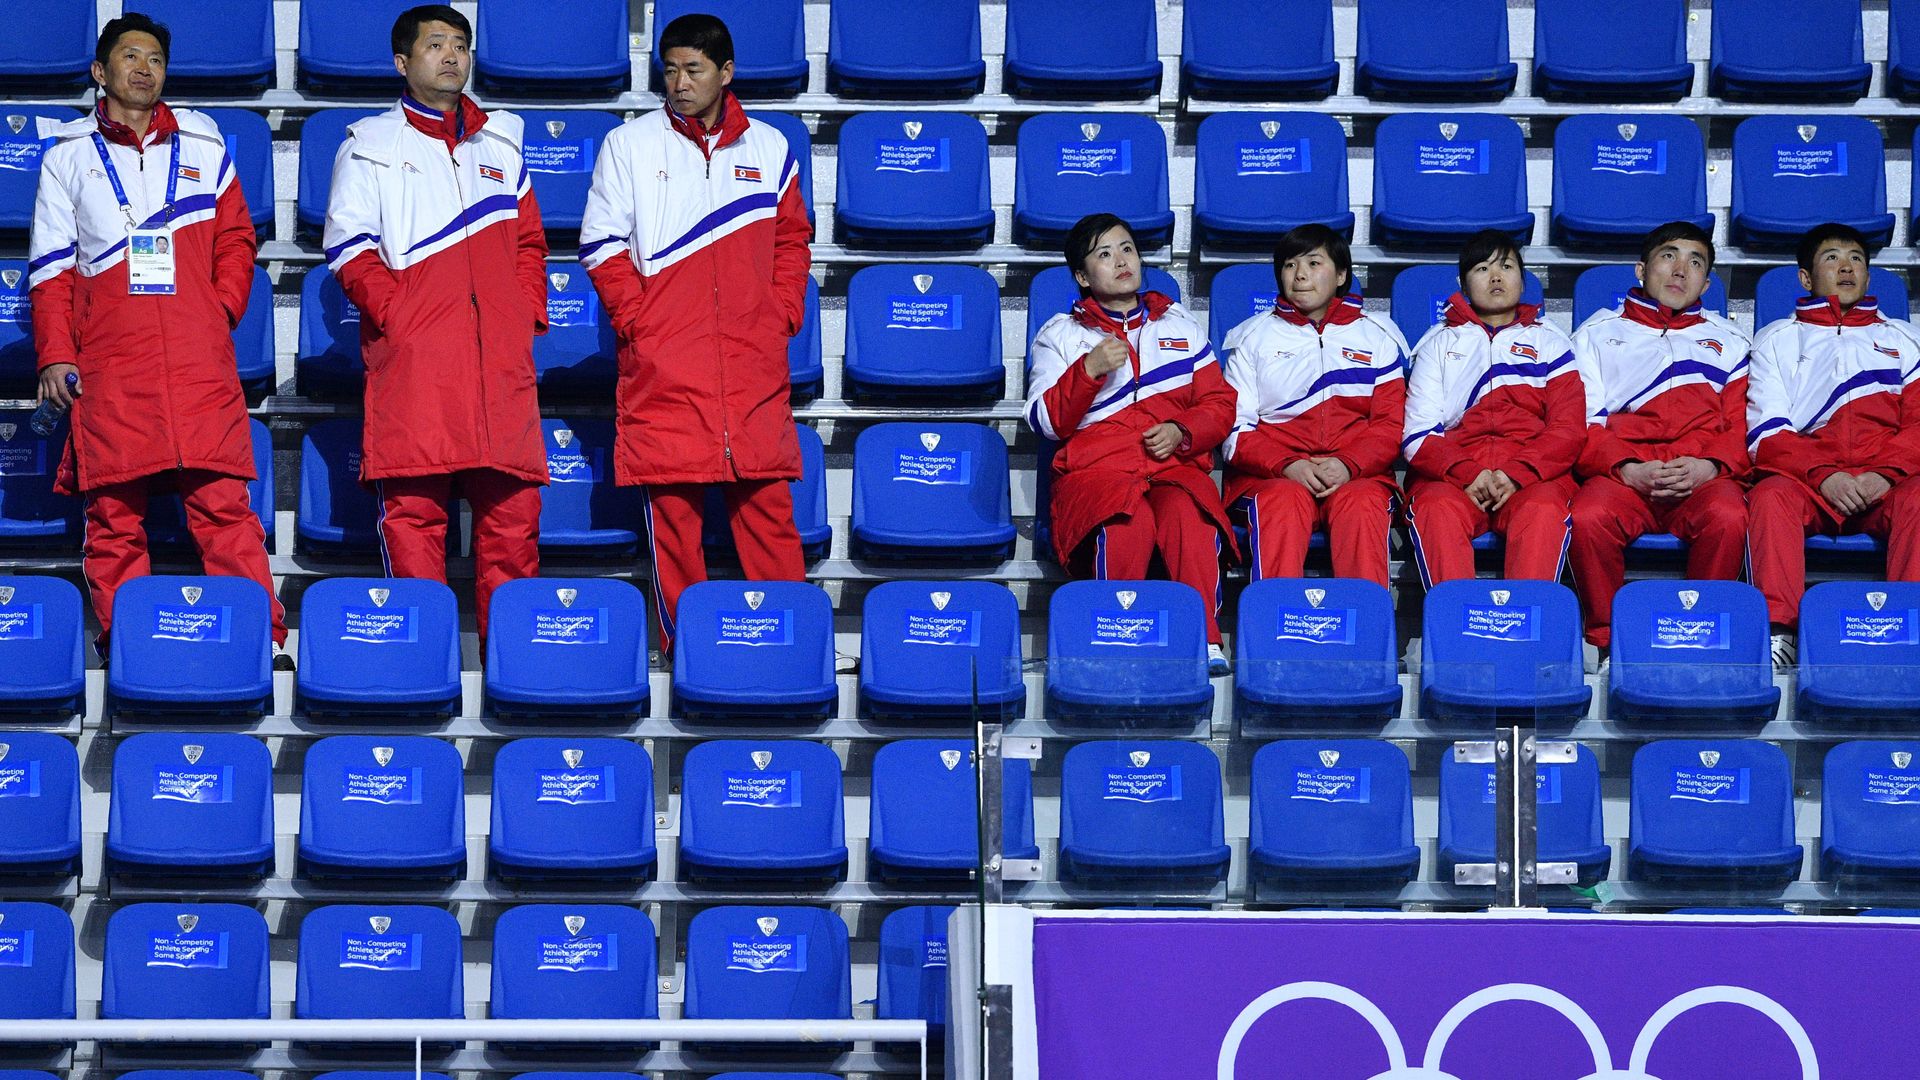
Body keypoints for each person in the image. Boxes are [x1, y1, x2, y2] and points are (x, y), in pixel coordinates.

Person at [28, 12, 287, 661]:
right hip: (112, 364)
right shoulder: (67, 158)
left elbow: (237, 237)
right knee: (114, 518)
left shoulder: (203, 146)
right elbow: (51, 271)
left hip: (199, 361)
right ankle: (129, 650)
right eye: (130, 57)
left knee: (224, 509)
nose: (144, 69)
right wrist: (56, 354)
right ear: (100, 70)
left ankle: (260, 643)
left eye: (155, 60)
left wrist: (219, 308)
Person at [577, 13, 810, 652]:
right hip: (666, 364)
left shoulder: (770, 147)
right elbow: (600, 243)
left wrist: (780, 311)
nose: (679, 83)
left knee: (768, 514)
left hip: (751, 363)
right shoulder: (629, 144)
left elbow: (793, 239)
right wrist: (641, 322)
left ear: (726, 72)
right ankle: (685, 652)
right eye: (671, 70)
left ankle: (789, 649)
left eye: (694, 70)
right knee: (673, 522)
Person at [322, 4, 549, 640]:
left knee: (514, 519)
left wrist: (523, 312)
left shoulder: (502, 142)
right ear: (402, 61)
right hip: (418, 365)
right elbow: (349, 248)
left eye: (460, 45)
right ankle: (421, 661)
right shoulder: (369, 144)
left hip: (499, 364)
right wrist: (402, 319)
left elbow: (530, 242)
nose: (451, 55)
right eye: (435, 45)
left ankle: (511, 664)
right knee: (414, 519)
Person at [1027, 213, 1239, 674]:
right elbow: (1045, 422)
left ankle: (1204, 641)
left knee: (1189, 515)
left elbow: (1221, 404)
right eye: (1104, 254)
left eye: (1127, 249)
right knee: (1128, 522)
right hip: (1097, 475)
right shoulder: (1060, 335)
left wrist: (1182, 430)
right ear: (1083, 276)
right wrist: (1087, 371)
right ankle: (1113, 644)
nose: (1121, 260)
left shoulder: (1180, 324)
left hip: (1172, 468)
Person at [1568, 222, 1751, 651]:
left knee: (1730, 516)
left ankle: (1701, 639)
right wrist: (1627, 469)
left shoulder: (1732, 341)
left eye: (1695, 263)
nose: (1680, 270)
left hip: (1701, 480)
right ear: (1641, 270)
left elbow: (1741, 426)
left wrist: (1710, 467)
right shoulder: (1594, 335)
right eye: (1669, 256)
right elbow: (1583, 423)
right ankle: (1607, 642)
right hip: (1624, 478)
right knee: (1587, 517)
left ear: (1707, 283)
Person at [1746, 222, 1920, 663]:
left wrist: (1885, 474)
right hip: (1812, 486)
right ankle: (1779, 633)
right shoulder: (1776, 340)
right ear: (1806, 278)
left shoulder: (1904, 339)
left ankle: (1910, 633)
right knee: (1769, 496)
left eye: (1856, 259)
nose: (1846, 268)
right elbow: (1767, 432)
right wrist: (1825, 476)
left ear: (1868, 275)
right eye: (1832, 258)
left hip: (1886, 484)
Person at [1221, 223, 1407, 588]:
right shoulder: (1250, 338)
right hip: (1272, 479)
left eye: (1313, 263)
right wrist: (1287, 465)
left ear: (1341, 275)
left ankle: (1365, 624)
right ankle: (1273, 624)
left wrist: (1347, 464)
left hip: (1357, 477)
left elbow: (1389, 426)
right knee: (1283, 502)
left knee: (1362, 504)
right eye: (1289, 265)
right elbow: (1235, 430)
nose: (1300, 274)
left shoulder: (1378, 336)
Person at [1402, 230, 1584, 586]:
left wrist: (1516, 474)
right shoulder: (1436, 344)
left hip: (1531, 479)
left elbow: (1568, 430)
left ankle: (1527, 621)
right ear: (1463, 284)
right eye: (1482, 269)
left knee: (1544, 510)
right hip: (1453, 480)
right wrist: (1469, 474)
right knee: (1435, 509)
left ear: (1523, 280)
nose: (1496, 277)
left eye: (1506, 267)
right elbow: (1418, 433)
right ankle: (1454, 621)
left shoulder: (1552, 343)